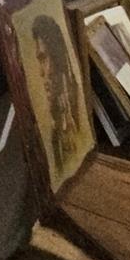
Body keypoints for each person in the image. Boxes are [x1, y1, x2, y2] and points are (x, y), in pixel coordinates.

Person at [31, 14, 83, 177]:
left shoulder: (75, 118)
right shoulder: (55, 127)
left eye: (43, 58)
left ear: (58, 60)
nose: (41, 72)